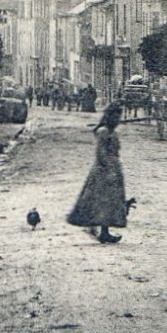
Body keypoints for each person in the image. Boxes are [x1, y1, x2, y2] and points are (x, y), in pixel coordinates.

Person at [68, 103, 129, 243]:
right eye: (115, 117)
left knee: (109, 202)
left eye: (118, 117)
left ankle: (104, 231)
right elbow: (101, 154)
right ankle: (99, 229)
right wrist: (110, 170)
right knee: (102, 202)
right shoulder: (103, 132)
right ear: (109, 117)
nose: (117, 120)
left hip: (113, 168)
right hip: (103, 171)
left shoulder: (112, 132)